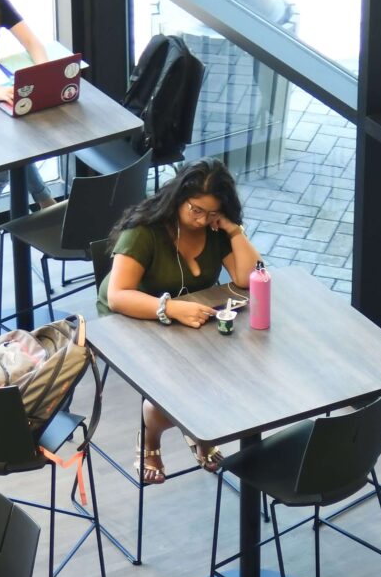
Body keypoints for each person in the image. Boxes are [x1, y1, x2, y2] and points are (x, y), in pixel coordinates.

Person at [102, 160, 262, 482]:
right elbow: (118, 296)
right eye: (196, 210)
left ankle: (196, 427)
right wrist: (170, 308)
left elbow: (247, 278)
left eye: (212, 213)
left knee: (232, 373)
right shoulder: (144, 232)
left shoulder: (215, 230)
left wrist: (233, 229)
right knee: (175, 387)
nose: (202, 220)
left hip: (193, 317)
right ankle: (152, 430)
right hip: (135, 317)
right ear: (178, 199)